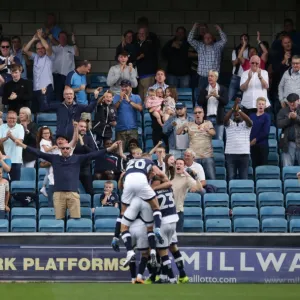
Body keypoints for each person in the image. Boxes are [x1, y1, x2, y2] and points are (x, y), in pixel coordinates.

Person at [15, 138, 120, 220]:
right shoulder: (54, 158)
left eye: (67, 148)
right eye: (63, 148)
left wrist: (109, 149)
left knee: (75, 219)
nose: (65, 150)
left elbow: (93, 154)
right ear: (60, 150)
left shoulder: (77, 158)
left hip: (73, 194)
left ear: (70, 149)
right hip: (58, 194)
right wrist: (22, 145)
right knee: (59, 219)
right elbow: (38, 153)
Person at [177, 107, 216, 180]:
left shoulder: (208, 123)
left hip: (207, 156)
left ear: (203, 114)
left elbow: (213, 133)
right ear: (193, 115)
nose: (197, 114)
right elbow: (178, 132)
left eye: (199, 112)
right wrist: (183, 126)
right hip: (194, 157)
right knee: (194, 179)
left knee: (211, 179)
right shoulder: (189, 124)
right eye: (195, 113)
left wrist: (207, 130)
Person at [23, 29, 55, 113]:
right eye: (38, 49)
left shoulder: (49, 56)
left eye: (42, 48)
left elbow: (48, 47)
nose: (40, 50)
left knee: (44, 111)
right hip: (36, 88)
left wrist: (40, 37)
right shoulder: (35, 56)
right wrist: (34, 38)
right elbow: (25, 50)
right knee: (35, 112)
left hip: (46, 89)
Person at [188, 23, 227, 89]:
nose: (208, 39)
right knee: (201, 96)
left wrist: (219, 30)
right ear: (203, 39)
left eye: (209, 37)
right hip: (202, 77)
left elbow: (224, 40)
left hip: (214, 77)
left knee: (214, 97)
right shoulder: (200, 46)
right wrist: (194, 28)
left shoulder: (217, 46)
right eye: (206, 37)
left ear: (213, 38)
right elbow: (189, 39)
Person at [224, 99, 253, 180]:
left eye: (239, 112)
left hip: (244, 154)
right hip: (230, 154)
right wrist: (233, 109)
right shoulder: (229, 123)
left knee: (244, 178)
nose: (236, 114)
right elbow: (225, 119)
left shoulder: (246, 124)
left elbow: (249, 121)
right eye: (235, 113)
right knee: (231, 178)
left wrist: (239, 110)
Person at [171, 158, 203, 232]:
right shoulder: (169, 175)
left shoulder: (187, 178)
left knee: (178, 236)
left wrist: (195, 177)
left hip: (178, 211)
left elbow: (199, 188)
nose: (178, 165)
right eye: (177, 164)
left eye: (180, 164)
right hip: (166, 210)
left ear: (184, 166)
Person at [198, 69, 228, 140]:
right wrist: (207, 97)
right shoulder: (204, 89)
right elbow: (199, 102)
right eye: (208, 76)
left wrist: (217, 96)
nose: (209, 78)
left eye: (212, 76)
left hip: (219, 119)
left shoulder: (222, 89)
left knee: (219, 139)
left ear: (216, 78)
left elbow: (225, 102)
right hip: (207, 119)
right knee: (207, 140)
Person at [113, 80, 143, 151]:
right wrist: (120, 99)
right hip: (120, 130)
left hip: (133, 129)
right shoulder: (116, 97)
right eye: (122, 86)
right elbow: (113, 109)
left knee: (134, 152)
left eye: (126, 86)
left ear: (130, 87)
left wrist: (129, 101)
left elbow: (140, 108)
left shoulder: (136, 97)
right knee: (119, 152)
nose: (124, 88)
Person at [52, 31, 79, 101]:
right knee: (58, 95)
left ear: (67, 38)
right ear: (58, 39)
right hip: (57, 76)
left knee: (68, 94)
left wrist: (74, 42)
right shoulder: (54, 48)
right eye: (61, 37)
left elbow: (77, 54)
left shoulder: (71, 48)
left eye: (64, 37)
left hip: (68, 76)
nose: (62, 39)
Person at [277, 93, 300, 167]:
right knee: (287, 168)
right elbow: (279, 124)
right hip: (287, 143)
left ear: (299, 101)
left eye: (294, 101)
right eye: (290, 102)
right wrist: (288, 118)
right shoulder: (283, 111)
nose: (292, 104)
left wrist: (296, 117)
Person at [0, 111, 24, 181]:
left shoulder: (20, 127)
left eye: (14, 118)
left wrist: (11, 137)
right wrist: (6, 138)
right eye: (10, 118)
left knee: (15, 183)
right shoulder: (2, 127)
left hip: (16, 160)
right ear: (6, 119)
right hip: (4, 159)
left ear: (16, 119)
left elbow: (20, 142)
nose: (12, 120)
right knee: (3, 182)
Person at [73, 119, 95, 195]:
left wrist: (83, 144)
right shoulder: (71, 137)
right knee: (71, 190)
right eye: (81, 126)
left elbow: (93, 152)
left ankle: (92, 206)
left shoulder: (88, 138)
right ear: (76, 127)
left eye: (85, 127)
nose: (83, 128)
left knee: (90, 191)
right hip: (73, 167)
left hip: (85, 167)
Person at [136, 27, 158, 100]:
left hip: (148, 75)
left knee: (148, 98)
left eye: (143, 33)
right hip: (141, 75)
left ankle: (147, 112)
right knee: (140, 98)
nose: (141, 35)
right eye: (140, 33)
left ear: (147, 34)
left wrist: (136, 58)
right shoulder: (139, 44)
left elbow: (142, 55)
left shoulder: (150, 44)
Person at [249, 97, 271, 170]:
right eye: (259, 104)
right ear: (256, 105)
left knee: (263, 167)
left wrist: (255, 140)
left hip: (262, 145)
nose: (261, 105)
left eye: (262, 104)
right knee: (254, 166)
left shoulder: (267, 116)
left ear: (265, 106)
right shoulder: (251, 116)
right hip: (252, 145)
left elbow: (265, 132)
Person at [228, 34, 250, 102]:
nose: (244, 41)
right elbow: (234, 63)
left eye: (245, 39)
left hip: (246, 77)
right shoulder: (235, 50)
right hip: (236, 77)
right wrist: (239, 55)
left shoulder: (251, 50)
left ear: (248, 40)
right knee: (230, 98)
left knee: (245, 99)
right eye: (242, 39)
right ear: (240, 40)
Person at [37, 126, 56, 197]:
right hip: (45, 158)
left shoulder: (50, 141)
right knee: (50, 172)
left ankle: (44, 187)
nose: (46, 135)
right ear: (41, 135)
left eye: (48, 133)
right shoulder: (42, 141)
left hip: (49, 157)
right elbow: (46, 150)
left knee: (48, 173)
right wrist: (53, 147)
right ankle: (47, 186)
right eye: (44, 133)